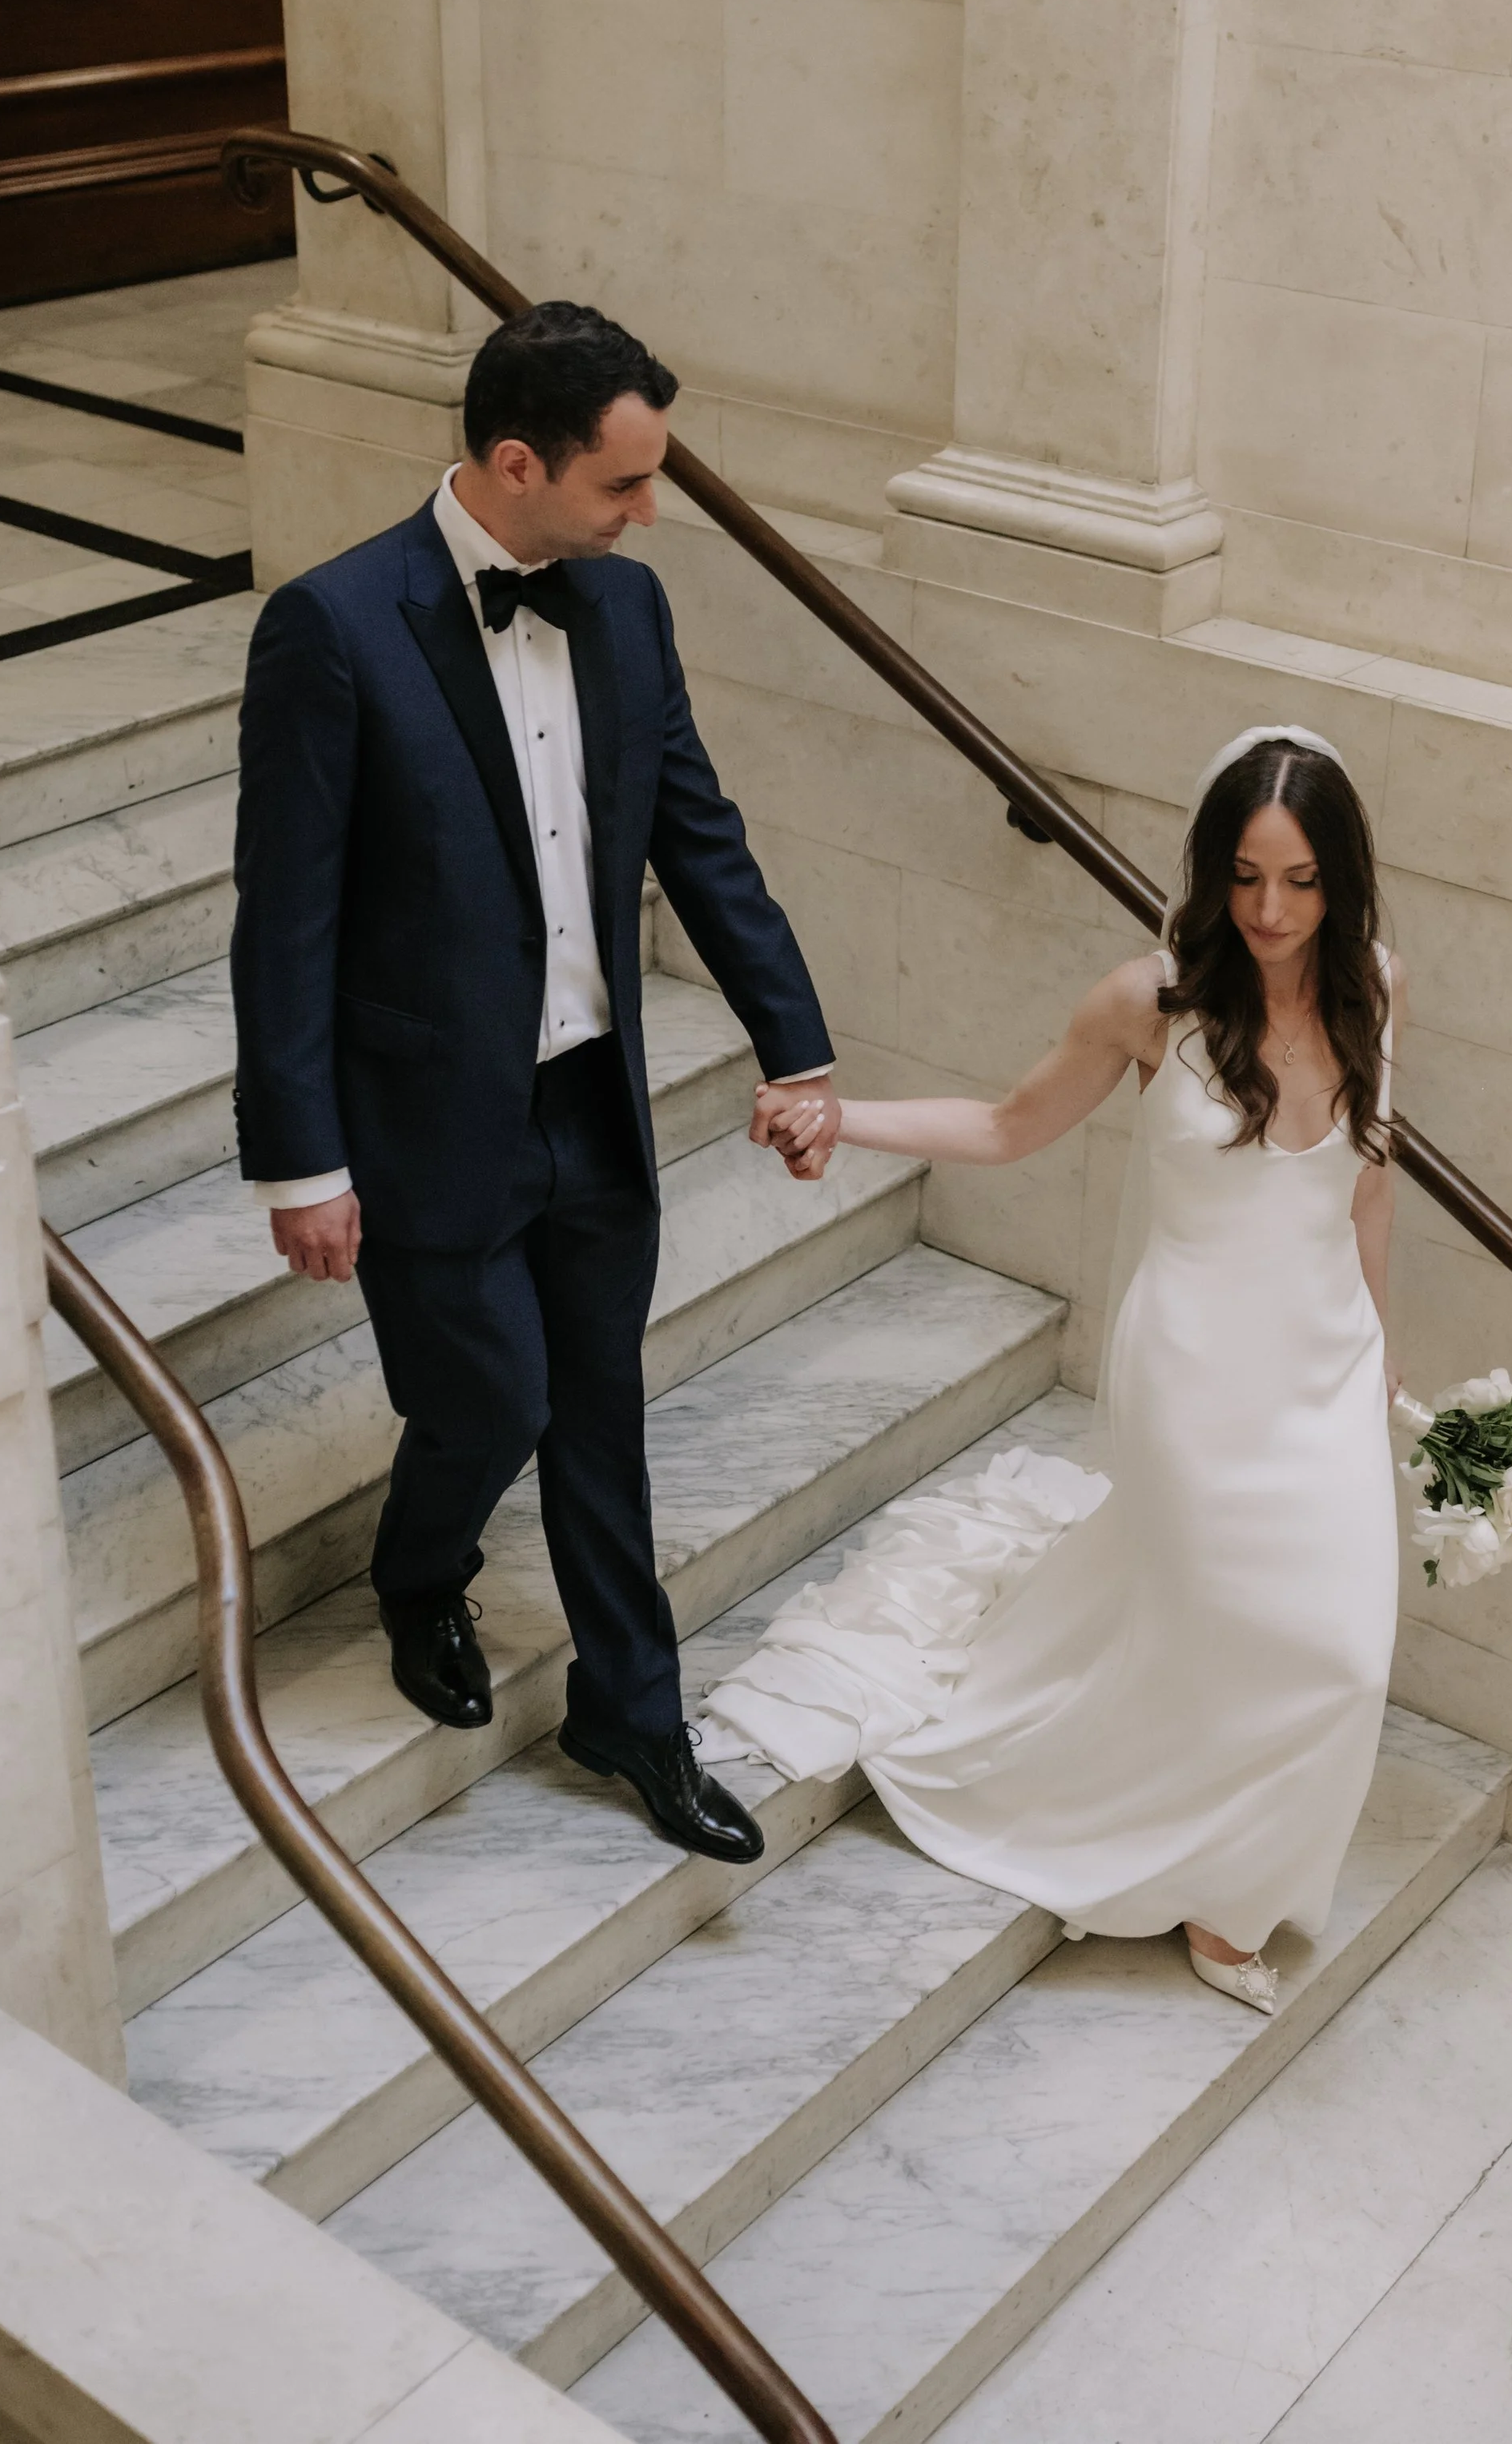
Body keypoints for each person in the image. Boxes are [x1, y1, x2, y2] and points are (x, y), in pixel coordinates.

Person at [231, 302, 838, 1868]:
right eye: (620, 487)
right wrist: (299, 1162)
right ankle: (416, 1566)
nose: (645, 517)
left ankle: (631, 1709)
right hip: (430, 1118)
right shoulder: (333, 627)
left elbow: (699, 835)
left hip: (590, 1103)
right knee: (488, 1395)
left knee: (601, 1412)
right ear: (517, 463)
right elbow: (284, 915)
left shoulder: (624, 617)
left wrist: (795, 1040)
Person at [722, 727, 1405, 2007]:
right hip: (1195, 1374)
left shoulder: (1376, 983)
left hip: (1326, 1369)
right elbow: (1004, 1123)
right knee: (1228, 1627)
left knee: (1346, 1656)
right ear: (1209, 871)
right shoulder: (1150, 1003)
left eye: (1301, 880)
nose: (1270, 910)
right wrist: (839, 1114)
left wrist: (1379, 1379)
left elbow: (1370, 1196)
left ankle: (1239, 1874)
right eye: (1247, 876)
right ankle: (1206, 1888)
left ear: (1342, 880)